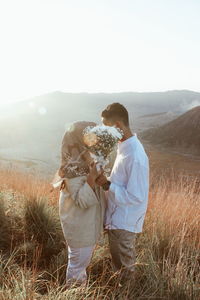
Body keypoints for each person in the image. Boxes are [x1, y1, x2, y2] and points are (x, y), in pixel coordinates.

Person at [96, 103, 149, 284]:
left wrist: (107, 183)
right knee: (119, 268)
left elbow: (136, 196)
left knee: (124, 273)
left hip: (123, 222)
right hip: (116, 219)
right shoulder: (124, 147)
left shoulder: (135, 156)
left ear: (118, 126)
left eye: (107, 127)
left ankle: (128, 295)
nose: (104, 132)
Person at [55, 121, 105, 288]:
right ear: (79, 140)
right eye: (90, 137)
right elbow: (82, 200)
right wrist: (92, 177)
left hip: (83, 227)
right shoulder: (73, 170)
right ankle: (74, 294)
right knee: (77, 268)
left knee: (79, 267)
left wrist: (95, 172)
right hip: (80, 230)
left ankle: (78, 292)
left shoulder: (79, 164)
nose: (95, 141)